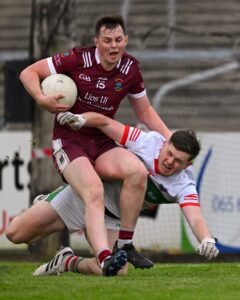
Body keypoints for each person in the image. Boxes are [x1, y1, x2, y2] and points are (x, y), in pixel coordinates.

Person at [19, 14, 171, 275]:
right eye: (107, 40)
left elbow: (145, 113)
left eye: (119, 40)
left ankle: (124, 245)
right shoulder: (78, 59)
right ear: (96, 42)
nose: (114, 46)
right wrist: (42, 99)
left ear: (126, 40)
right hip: (70, 141)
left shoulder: (130, 69)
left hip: (101, 141)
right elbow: (28, 72)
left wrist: (171, 140)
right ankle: (103, 256)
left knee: (136, 172)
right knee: (18, 232)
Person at [6, 116, 219, 277]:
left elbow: (195, 218)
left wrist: (206, 239)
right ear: (164, 144)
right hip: (86, 196)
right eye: (169, 153)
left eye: (178, 161)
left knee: (116, 271)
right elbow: (106, 123)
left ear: (187, 165)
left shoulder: (184, 185)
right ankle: (51, 199)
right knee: (16, 234)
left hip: (112, 220)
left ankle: (66, 261)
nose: (170, 161)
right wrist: (81, 119)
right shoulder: (146, 141)